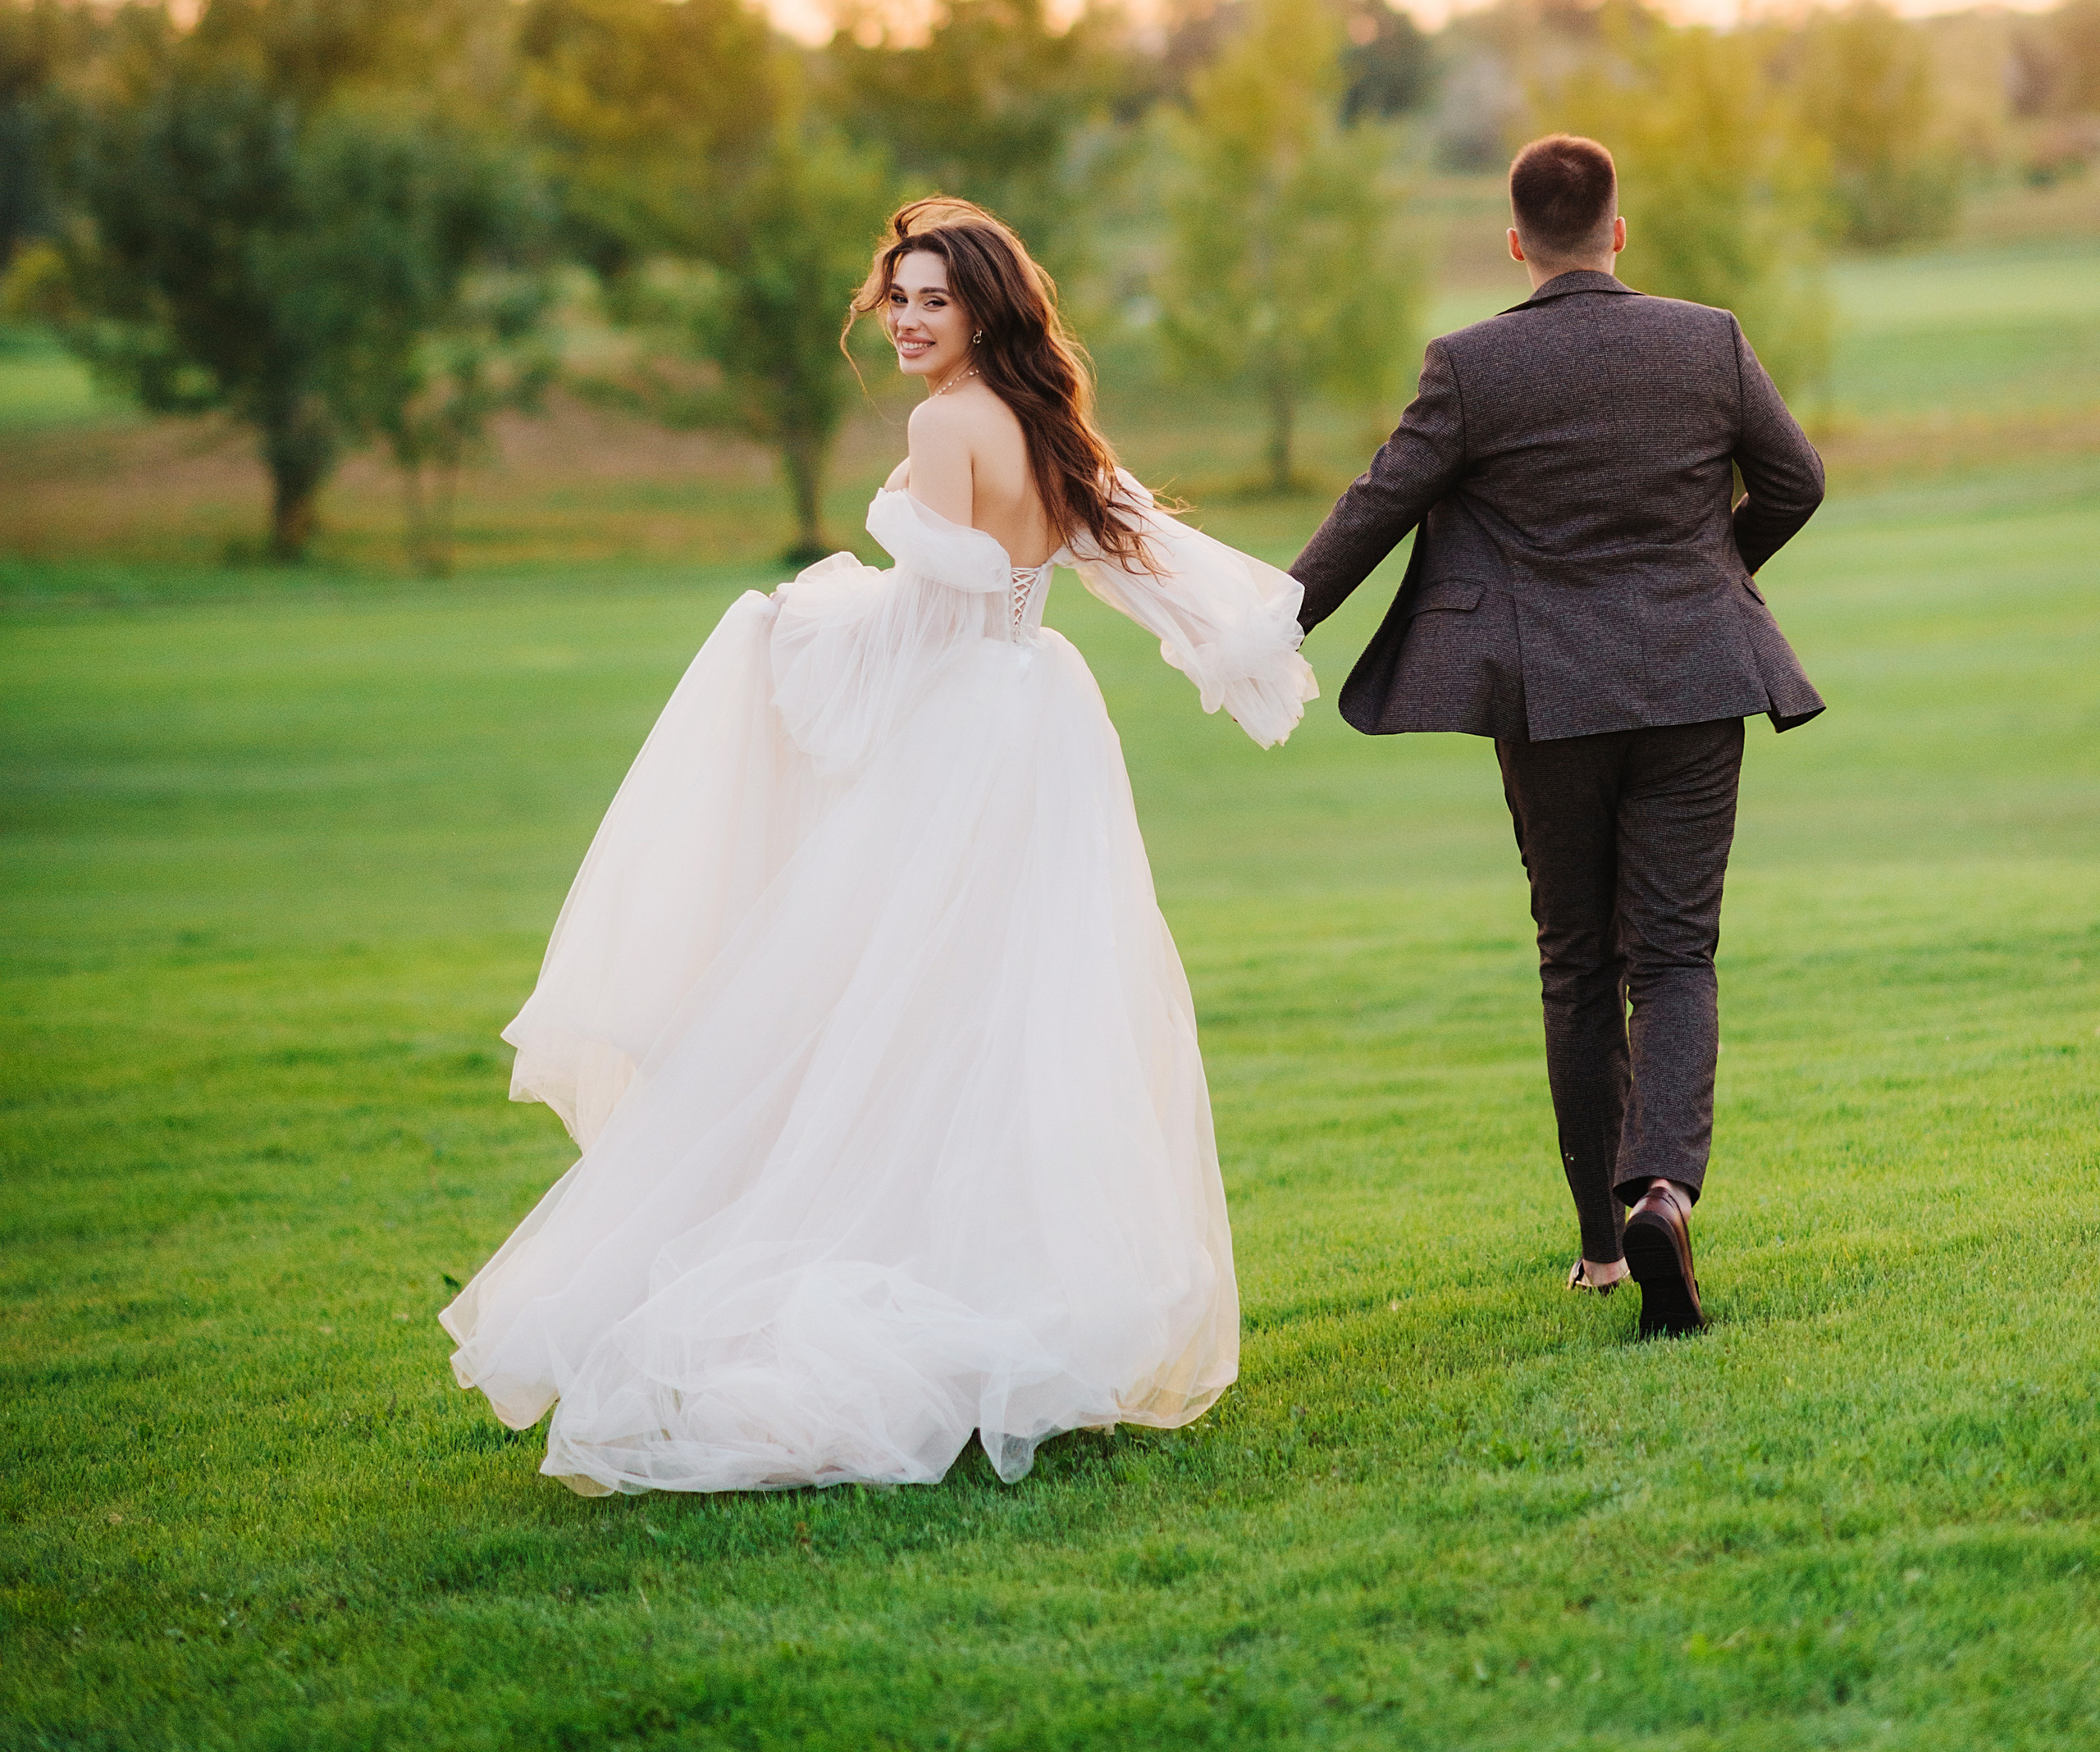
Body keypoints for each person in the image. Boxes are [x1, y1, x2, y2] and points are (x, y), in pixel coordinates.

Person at [443, 197, 1312, 1494]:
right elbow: (1108, 561)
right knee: (1003, 1015)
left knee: (878, 1010)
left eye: (932, 301)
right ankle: (1020, 1291)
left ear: (984, 310)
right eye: (896, 298)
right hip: (1040, 722)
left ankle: (883, 1297)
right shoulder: (1042, 421)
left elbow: (930, 616)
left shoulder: (944, 425)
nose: (906, 321)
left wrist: (806, 617)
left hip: (962, 729)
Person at [1288, 133, 1825, 1339]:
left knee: (1579, 963)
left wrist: (1271, 621)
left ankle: (1601, 1250)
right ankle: (1667, 1193)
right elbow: (1798, 482)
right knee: (1677, 958)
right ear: (1617, 233)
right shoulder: (1709, 339)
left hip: (1549, 708)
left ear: (1516, 240)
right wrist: (1704, 583)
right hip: (1694, 685)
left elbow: (1380, 505)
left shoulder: (1471, 367)